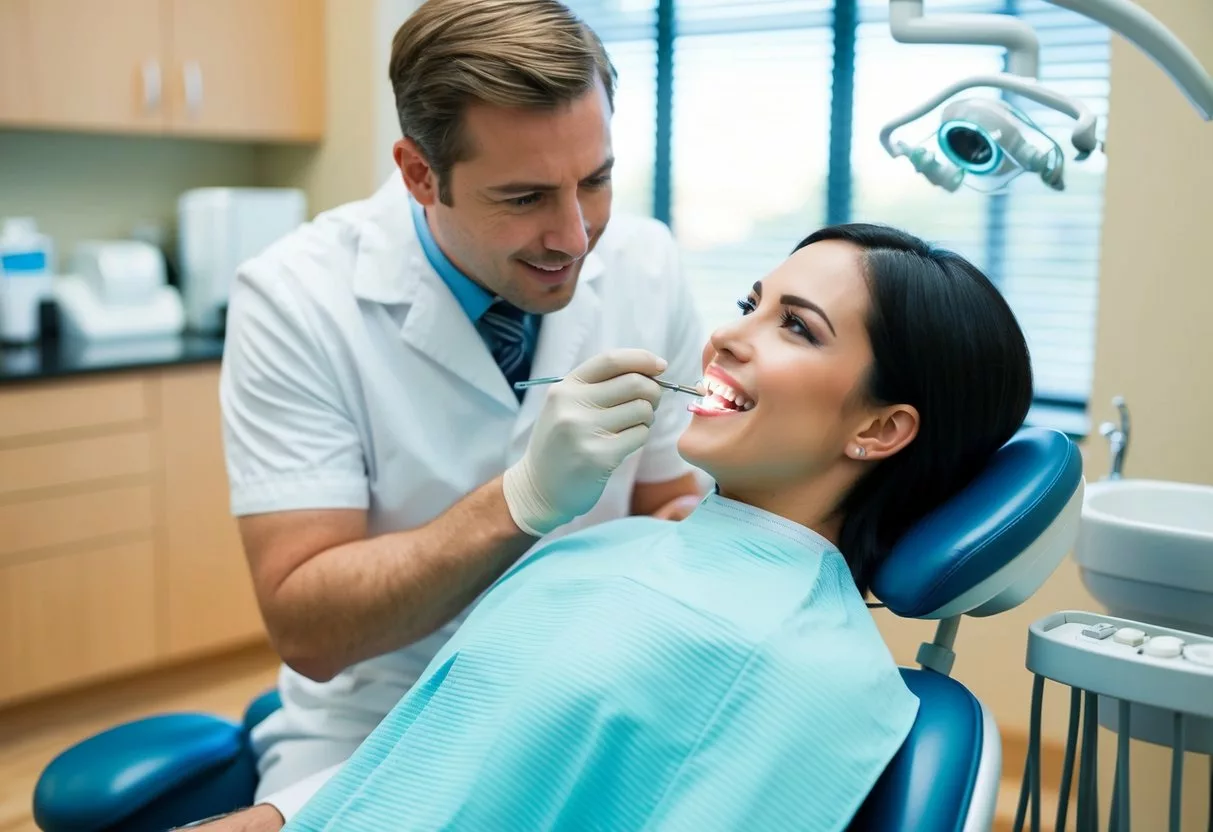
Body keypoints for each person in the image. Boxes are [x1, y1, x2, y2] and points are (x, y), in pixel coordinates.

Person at [270, 223, 1036, 831]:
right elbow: (438, 766)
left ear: (879, 428)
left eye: (796, 328)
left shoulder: (797, 673)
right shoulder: (605, 548)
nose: (724, 338)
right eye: (750, 306)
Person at [206, 0, 707, 828]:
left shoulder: (646, 264)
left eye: (595, 180)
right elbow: (308, 627)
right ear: (418, 172)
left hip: (598, 694)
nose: (575, 235)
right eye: (524, 197)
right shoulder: (295, 297)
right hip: (384, 718)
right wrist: (521, 502)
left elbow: (664, 502)